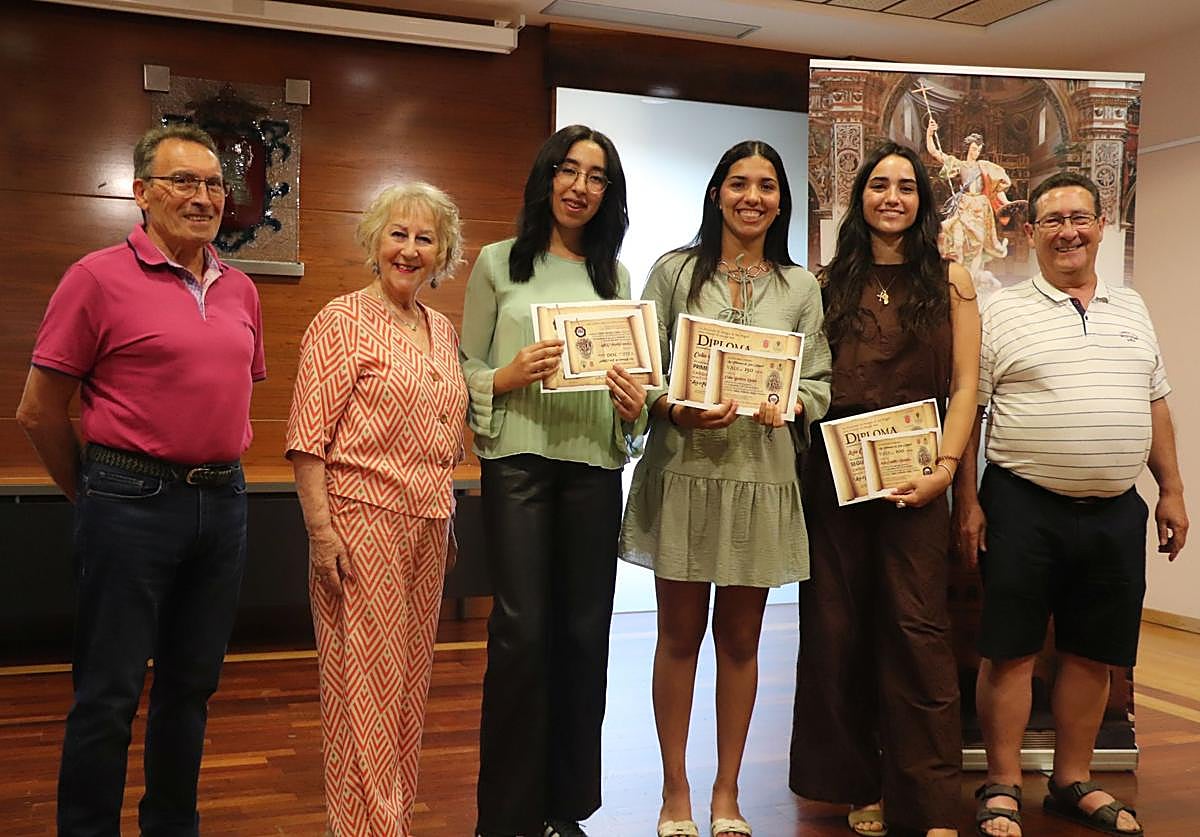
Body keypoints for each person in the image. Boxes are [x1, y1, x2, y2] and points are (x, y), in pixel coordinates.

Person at [15, 124, 266, 835]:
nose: (204, 196)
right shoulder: (95, 278)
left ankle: (171, 826)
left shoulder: (241, 289)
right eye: (184, 181)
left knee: (190, 688)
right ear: (142, 193)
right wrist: (92, 491)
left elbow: (230, 391)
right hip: (128, 500)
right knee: (109, 692)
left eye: (215, 183)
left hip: (224, 504)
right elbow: (37, 412)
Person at [954, 171, 1188, 837]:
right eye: (1052, 220)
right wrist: (966, 503)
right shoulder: (1001, 311)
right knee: (1011, 648)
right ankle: (1000, 783)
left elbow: (1155, 401)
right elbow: (970, 411)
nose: (1068, 231)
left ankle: (1071, 780)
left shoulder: (1132, 307)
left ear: (1101, 225)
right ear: (1029, 233)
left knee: (1095, 650)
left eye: (1079, 217)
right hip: (1022, 503)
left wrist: (1170, 487)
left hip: (1116, 509)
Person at [620, 140, 832, 837]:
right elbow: (641, 365)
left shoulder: (801, 288)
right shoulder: (677, 271)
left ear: (781, 199)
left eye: (766, 185)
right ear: (717, 193)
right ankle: (675, 792)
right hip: (685, 470)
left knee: (741, 640)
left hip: (760, 477)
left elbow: (818, 384)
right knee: (678, 636)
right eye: (739, 183)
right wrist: (672, 406)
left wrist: (793, 405)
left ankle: (728, 794)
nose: (752, 196)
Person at [460, 124, 647, 837]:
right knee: (520, 634)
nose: (581, 186)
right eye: (569, 171)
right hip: (519, 466)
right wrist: (506, 376)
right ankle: (504, 816)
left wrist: (636, 408)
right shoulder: (497, 263)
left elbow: (637, 398)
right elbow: (467, 368)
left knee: (581, 634)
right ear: (545, 178)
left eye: (597, 177)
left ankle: (563, 809)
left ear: (609, 194)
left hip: (595, 468)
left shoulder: (616, 278)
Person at [789, 142, 980, 837]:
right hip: (834, 482)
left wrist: (946, 469)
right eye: (879, 185)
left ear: (923, 201)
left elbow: (965, 386)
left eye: (905, 186)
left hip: (920, 481)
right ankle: (860, 785)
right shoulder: (826, 281)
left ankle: (928, 804)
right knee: (838, 631)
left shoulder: (953, 281)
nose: (892, 196)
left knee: (917, 631)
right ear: (860, 198)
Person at [285, 182, 468, 836]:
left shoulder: (441, 329)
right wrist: (320, 533)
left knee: (406, 691)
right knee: (361, 688)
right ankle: (368, 829)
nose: (410, 250)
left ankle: (390, 821)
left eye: (425, 238)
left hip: (427, 522)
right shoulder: (341, 319)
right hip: (359, 522)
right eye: (399, 234)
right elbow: (308, 441)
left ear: (442, 251)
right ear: (374, 240)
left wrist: (444, 517)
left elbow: (445, 433)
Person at [926, 119, 1014, 291]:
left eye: (979, 149)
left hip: (980, 207)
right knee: (958, 242)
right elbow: (935, 153)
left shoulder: (985, 167)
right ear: (968, 149)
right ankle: (958, 277)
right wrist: (930, 133)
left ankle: (971, 281)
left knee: (978, 244)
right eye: (974, 149)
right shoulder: (958, 165)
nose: (976, 152)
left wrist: (1007, 203)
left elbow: (995, 188)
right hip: (963, 205)